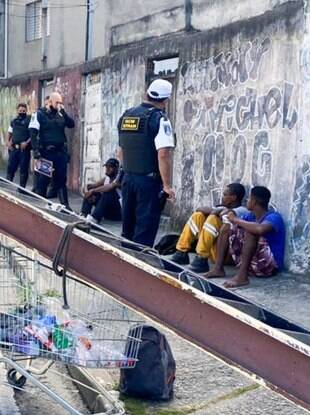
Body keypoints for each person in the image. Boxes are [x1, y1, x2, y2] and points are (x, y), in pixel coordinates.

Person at [116, 79, 176, 247]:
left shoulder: (126, 115)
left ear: (147, 94)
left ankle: (124, 263)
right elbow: (163, 154)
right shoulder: (159, 119)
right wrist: (166, 185)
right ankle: (138, 266)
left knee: (127, 228)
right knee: (144, 230)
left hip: (128, 178)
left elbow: (121, 149)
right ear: (165, 100)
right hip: (148, 182)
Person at [204, 186, 285, 289]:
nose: (247, 201)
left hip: (268, 267)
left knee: (251, 231)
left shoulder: (274, 217)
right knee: (227, 227)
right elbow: (233, 224)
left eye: (249, 198)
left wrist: (236, 220)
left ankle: (242, 277)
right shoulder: (250, 216)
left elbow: (260, 229)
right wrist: (231, 217)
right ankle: (218, 268)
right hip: (253, 264)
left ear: (254, 202)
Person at [170, 183, 247, 272]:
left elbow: (224, 214)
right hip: (213, 250)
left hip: (225, 254)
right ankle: (181, 252)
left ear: (233, 197)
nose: (222, 197)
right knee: (198, 216)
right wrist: (217, 210)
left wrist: (217, 211)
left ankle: (201, 258)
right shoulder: (223, 207)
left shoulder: (242, 210)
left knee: (213, 219)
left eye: (225, 195)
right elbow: (199, 209)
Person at [29, 92, 75, 208]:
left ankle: (65, 206)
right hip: (46, 152)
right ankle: (40, 206)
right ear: (50, 102)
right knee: (43, 180)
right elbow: (33, 133)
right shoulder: (39, 114)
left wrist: (64, 113)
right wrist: (35, 151)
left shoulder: (60, 114)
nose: (59, 105)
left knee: (61, 180)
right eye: (57, 102)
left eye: (61, 102)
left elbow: (71, 124)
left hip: (60, 152)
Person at [80, 158, 123, 224]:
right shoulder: (106, 178)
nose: (107, 169)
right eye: (106, 167)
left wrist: (92, 191)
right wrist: (87, 191)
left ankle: (94, 218)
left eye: (110, 167)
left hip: (118, 213)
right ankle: (84, 214)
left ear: (116, 168)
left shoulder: (119, 179)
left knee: (108, 193)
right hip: (107, 211)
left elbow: (110, 186)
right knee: (92, 193)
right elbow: (91, 186)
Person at [6, 103, 31, 188]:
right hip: (14, 149)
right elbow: (10, 132)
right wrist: (8, 142)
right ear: (17, 111)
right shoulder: (14, 121)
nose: (22, 112)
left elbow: (33, 135)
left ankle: (22, 189)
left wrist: (27, 142)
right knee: (10, 168)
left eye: (23, 111)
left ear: (26, 111)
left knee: (23, 170)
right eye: (20, 111)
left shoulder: (29, 120)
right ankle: (7, 186)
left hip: (24, 150)